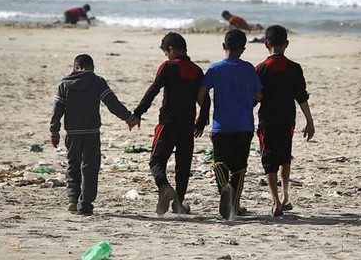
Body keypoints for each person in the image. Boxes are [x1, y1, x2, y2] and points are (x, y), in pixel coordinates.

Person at [132, 32, 211, 215]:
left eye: (166, 53)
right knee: (183, 166)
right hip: (187, 126)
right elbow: (204, 98)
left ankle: (164, 186)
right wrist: (201, 120)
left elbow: (153, 91)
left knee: (156, 161)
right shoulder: (197, 70)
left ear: (171, 49)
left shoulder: (168, 67)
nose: (166, 56)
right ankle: (178, 204)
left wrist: (137, 113)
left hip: (167, 123)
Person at [50, 54, 139, 216]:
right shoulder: (97, 82)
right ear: (92, 67)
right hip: (91, 132)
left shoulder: (64, 85)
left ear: (75, 68)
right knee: (90, 167)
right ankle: (85, 203)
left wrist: (54, 131)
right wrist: (129, 118)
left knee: (73, 164)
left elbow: (57, 110)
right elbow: (112, 103)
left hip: (72, 133)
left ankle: (72, 199)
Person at [197, 29, 263, 220]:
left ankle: (224, 189)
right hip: (244, 125)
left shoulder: (215, 69)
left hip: (221, 125)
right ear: (243, 49)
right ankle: (235, 204)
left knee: (219, 163)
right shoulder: (249, 69)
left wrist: (204, 110)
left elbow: (201, 93)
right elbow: (259, 95)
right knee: (240, 168)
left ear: (224, 46)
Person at [255, 25, 314, 217]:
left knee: (269, 161)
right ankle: (285, 194)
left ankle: (275, 202)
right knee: (285, 157)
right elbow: (301, 97)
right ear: (286, 44)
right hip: (288, 119)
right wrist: (309, 121)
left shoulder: (261, 69)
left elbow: (255, 98)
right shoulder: (294, 68)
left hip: (267, 121)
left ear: (266, 44)